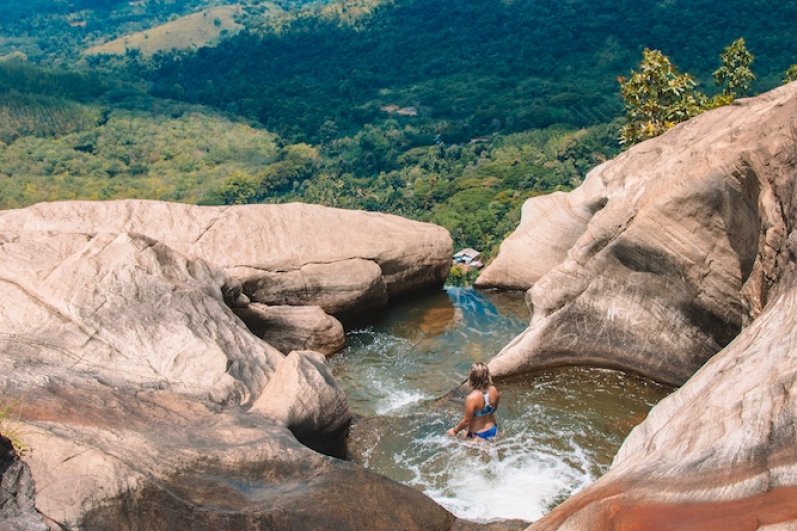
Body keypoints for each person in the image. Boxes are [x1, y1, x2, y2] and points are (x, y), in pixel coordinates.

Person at [447, 362, 500, 440]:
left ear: (472, 378)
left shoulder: (471, 398)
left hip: (478, 435)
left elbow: (466, 421)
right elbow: (494, 409)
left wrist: (455, 431)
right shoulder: (494, 390)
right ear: (487, 376)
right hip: (493, 430)